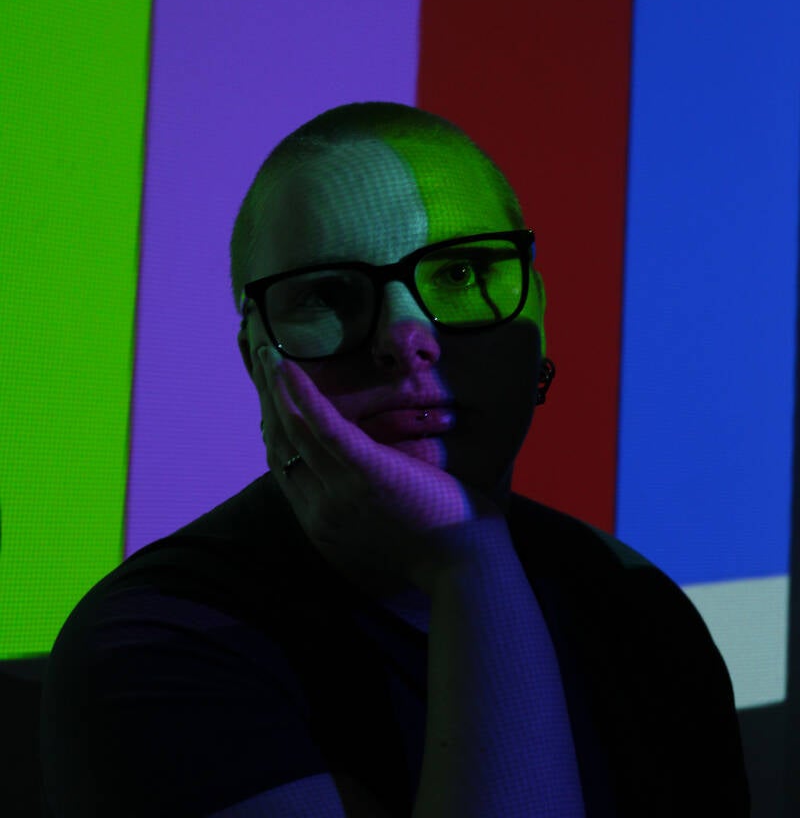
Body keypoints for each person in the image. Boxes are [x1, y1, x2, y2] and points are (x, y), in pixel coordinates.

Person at [39, 101, 751, 817]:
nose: (406, 338)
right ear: (256, 358)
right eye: (328, 293)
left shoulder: (635, 608)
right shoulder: (158, 645)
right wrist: (469, 562)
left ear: (538, 311)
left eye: (461, 273)